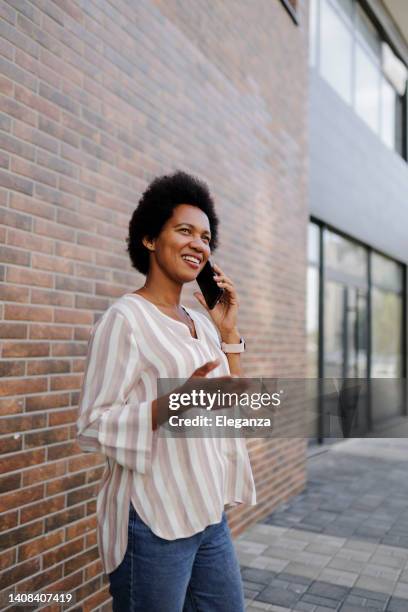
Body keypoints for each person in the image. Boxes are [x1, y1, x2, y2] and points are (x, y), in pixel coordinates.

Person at [76, 170, 257, 611]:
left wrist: (229, 332)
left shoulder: (201, 324)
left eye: (206, 237)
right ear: (150, 239)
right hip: (154, 518)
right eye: (185, 231)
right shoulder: (126, 319)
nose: (199, 244)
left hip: (209, 512)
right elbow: (94, 425)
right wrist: (177, 400)